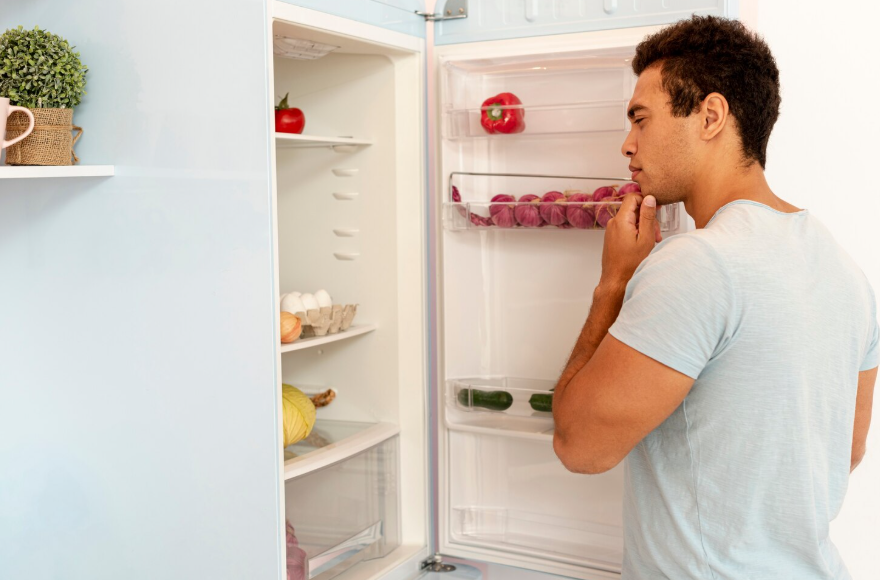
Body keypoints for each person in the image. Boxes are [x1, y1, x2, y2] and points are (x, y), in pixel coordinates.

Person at [551, 15, 878, 580]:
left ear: (710, 116)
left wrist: (614, 284)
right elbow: (845, 449)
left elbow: (579, 447)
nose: (627, 145)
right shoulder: (844, 270)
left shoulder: (698, 263)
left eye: (640, 119)